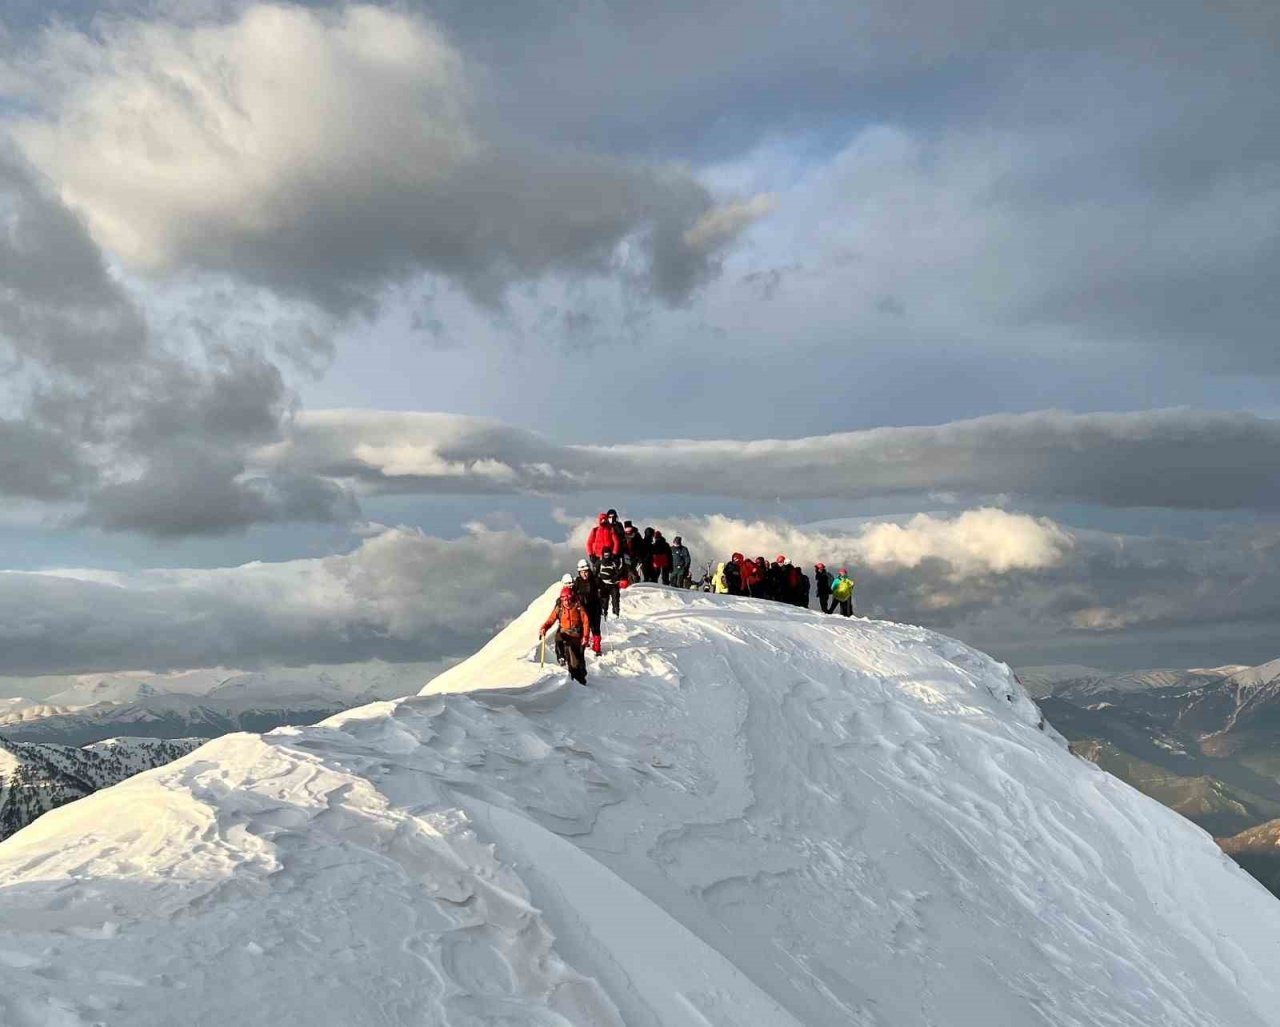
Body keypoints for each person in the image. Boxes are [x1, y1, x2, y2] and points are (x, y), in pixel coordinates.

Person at [540, 581, 591, 684]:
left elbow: (586, 622)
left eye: (568, 600)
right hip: (565, 631)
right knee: (558, 637)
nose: (567, 602)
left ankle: (579, 678)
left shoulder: (578, 606)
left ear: (572, 598)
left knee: (575, 658)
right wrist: (544, 628)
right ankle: (561, 657)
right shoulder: (559, 607)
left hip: (576, 634)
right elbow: (551, 619)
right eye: (564, 600)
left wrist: (585, 637)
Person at [573, 559, 604, 654]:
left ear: (589, 570)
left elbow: (604, 591)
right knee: (583, 626)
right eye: (582, 572)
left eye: (585, 572)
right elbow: (573, 594)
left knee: (595, 627)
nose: (584, 574)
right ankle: (585, 641)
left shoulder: (595, 580)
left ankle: (597, 647)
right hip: (583, 608)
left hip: (595, 607)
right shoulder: (577, 582)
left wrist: (603, 601)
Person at [597, 547, 622, 618]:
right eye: (605, 555)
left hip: (613, 585)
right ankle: (604, 615)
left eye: (608, 555)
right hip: (603, 585)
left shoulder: (614, 562)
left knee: (615, 600)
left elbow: (620, 572)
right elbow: (595, 574)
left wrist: (616, 577)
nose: (606, 557)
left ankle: (616, 614)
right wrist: (598, 582)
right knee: (604, 601)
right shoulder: (599, 563)